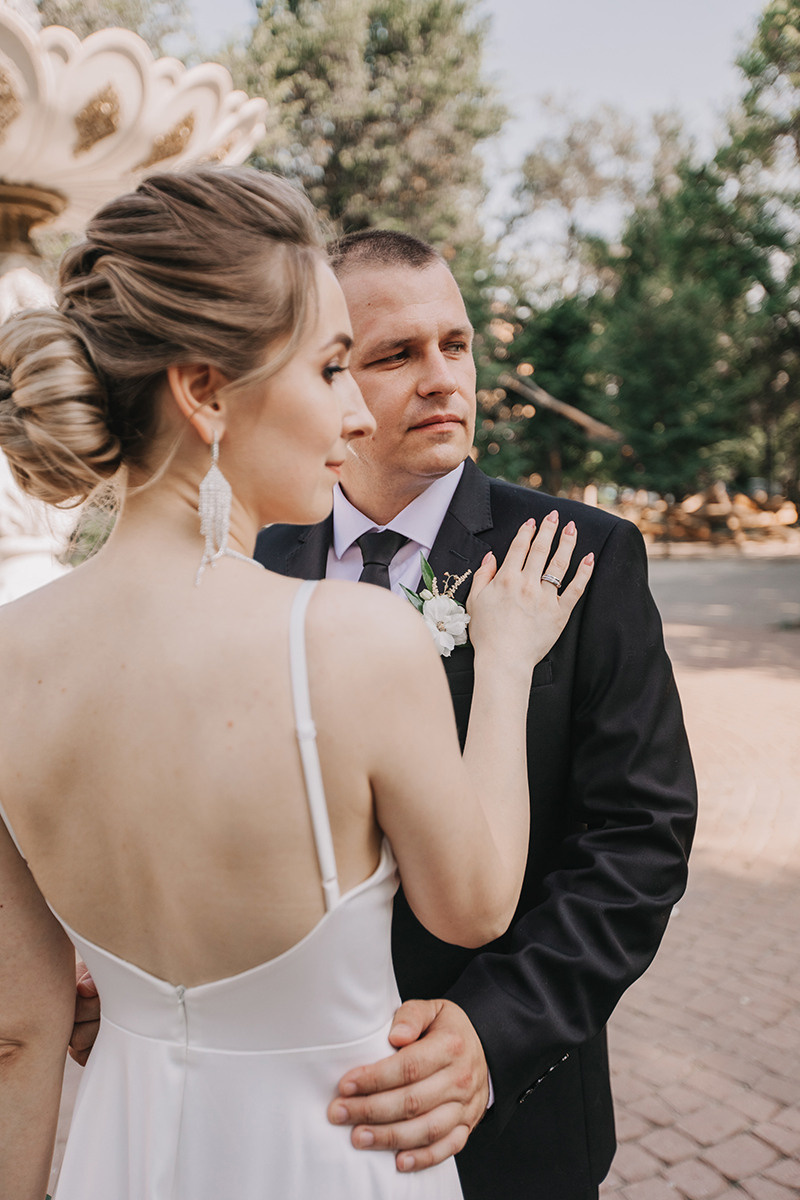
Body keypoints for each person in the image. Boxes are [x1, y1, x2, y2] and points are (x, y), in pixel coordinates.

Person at [0, 167, 593, 1200]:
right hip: (334, 1159)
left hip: (123, 1158)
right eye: (330, 369)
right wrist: (500, 668)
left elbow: (17, 1030)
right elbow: (475, 905)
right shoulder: (349, 642)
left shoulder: (9, 661)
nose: (357, 416)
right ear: (204, 392)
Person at [253, 229, 698, 1199]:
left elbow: (637, 838)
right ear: (328, 374)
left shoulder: (582, 552)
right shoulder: (259, 560)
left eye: (453, 345)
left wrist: (493, 1033)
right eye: (394, 355)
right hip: (282, 1092)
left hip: (504, 1124)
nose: (442, 378)